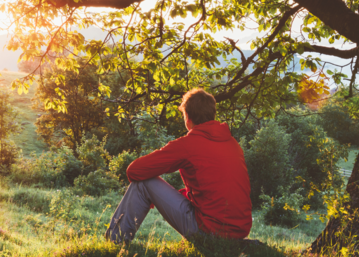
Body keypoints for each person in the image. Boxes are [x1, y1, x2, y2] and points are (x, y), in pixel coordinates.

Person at [105, 88, 252, 243]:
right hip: (239, 231)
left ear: (187, 117)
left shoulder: (188, 144)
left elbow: (134, 171)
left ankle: (115, 242)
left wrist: (155, 196)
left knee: (144, 182)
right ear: (212, 115)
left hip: (209, 232)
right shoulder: (232, 143)